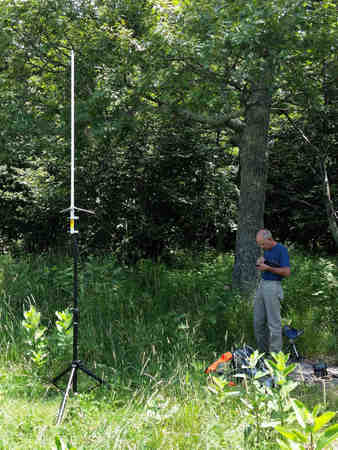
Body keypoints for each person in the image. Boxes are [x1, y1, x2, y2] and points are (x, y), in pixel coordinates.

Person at [254, 229, 291, 356]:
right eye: (260, 244)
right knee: (258, 321)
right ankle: (262, 354)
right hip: (262, 285)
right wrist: (260, 261)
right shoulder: (267, 249)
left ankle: (275, 357)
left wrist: (268, 268)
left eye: (263, 244)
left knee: (273, 323)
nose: (262, 247)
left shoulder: (281, 250)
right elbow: (265, 259)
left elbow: (287, 272)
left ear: (270, 239)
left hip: (273, 287)